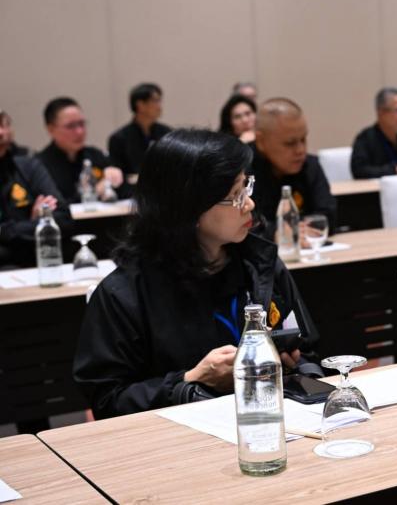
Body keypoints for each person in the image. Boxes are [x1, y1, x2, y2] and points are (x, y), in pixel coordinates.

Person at [73, 129, 322, 419]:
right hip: (175, 437)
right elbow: (107, 401)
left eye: (247, 187)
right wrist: (190, 380)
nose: (250, 204)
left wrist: (293, 365)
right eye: (235, 196)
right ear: (189, 208)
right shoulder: (124, 293)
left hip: (270, 420)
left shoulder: (260, 264)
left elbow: (310, 353)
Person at [251, 98, 336, 239]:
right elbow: (242, 227)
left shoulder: (310, 165)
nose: (300, 150)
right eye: (290, 143)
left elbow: (328, 215)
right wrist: (275, 233)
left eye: (303, 139)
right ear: (261, 141)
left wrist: (298, 230)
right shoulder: (240, 172)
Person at [0, 110, 70, 268]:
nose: (1, 132)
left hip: (31, 265)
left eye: (4, 124)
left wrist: (6, 231)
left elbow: (63, 218)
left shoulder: (28, 165)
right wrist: (32, 223)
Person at [37, 97, 124, 203]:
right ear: (51, 129)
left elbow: (125, 194)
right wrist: (94, 192)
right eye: (70, 126)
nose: (79, 131)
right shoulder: (40, 166)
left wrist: (116, 180)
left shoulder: (96, 155)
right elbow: (57, 204)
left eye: (82, 124)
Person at [108, 83, 171, 177]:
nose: (159, 106)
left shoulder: (167, 133)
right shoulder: (119, 139)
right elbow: (118, 175)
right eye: (155, 101)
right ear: (140, 104)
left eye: (159, 100)